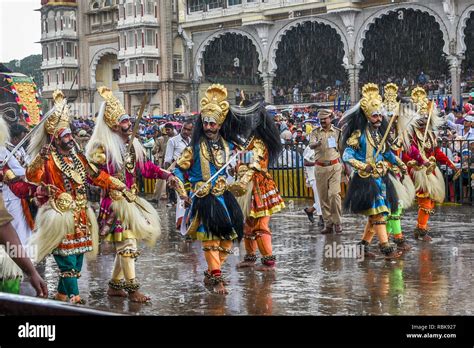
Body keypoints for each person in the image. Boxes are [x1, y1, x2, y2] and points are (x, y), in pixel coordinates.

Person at [26, 90, 127, 304]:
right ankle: (75, 298)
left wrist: (115, 183)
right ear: (56, 138)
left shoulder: (77, 156)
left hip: (81, 215)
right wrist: (38, 160)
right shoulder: (48, 159)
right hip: (59, 216)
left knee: (77, 260)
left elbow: (95, 175)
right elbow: (32, 177)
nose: (70, 138)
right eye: (66, 136)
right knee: (67, 262)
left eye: (70, 134)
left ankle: (62, 295)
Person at [86, 86, 177, 302]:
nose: (128, 125)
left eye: (129, 120)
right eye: (124, 122)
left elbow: (146, 169)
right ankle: (133, 289)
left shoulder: (134, 144)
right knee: (128, 245)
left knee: (126, 244)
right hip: (114, 204)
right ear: (114, 125)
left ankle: (115, 286)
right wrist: (111, 181)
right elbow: (92, 176)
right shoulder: (102, 148)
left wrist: (166, 175)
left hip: (132, 202)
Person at [173, 84, 244, 295]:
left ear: (220, 124)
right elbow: (178, 171)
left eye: (212, 123)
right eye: (205, 123)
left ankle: (213, 272)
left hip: (222, 196)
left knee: (229, 239)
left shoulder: (228, 146)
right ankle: (216, 277)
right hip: (203, 197)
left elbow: (235, 168)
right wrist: (183, 194)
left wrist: (240, 170)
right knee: (211, 238)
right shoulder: (194, 147)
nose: (208, 126)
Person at [341, 83, 406, 260]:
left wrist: (400, 164)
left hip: (381, 178)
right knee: (378, 212)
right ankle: (386, 247)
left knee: (377, 214)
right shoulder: (358, 134)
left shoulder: (379, 134)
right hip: (365, 179)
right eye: (374, 115)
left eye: (379, 115)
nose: (378, 118)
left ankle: (362, 247)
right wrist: (363, 166)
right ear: (367, 116)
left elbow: (387, 153)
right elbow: (347, 155)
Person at [226, 103, 285, 271]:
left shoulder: (259, 142)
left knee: (260, 225)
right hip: (250, 185)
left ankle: (268, 261)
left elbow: (255, 164)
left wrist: (242, 179)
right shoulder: (251, 139)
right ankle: (250, 258)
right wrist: (236, 168)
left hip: (258, 187)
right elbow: (245, 162)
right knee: (249, 225)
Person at [402, 87, 460, 241]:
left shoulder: (431, 133)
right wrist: (415, 162)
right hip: (417, 170)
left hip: (431, 170)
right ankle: (420, 230)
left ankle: (421, 228)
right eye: (420, 116)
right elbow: (406, 153)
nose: (423, 119)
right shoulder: (410, 134)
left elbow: (437, 152)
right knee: (425, 201)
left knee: (431, 200)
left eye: (425, 116)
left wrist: (451, 164)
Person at [381, 83, 416, 252]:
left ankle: (386, 239)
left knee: (395, 207)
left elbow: (409, 150)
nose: (391, 119)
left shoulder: (401, 133)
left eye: (393, 116)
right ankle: (397, 239)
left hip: (397, 173)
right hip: (383, 173)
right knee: (392, 207)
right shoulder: (378, 133)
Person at [0, 122, 36, 244]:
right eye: (22, 138)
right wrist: (26, 173)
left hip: (21, 191)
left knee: (24, 223)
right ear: (15, 138)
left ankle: (25, 252)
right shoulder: (4, 149)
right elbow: (15, 170)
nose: (24, 140)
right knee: (17, 225)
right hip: (10, 193)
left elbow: (26, 166)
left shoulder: (18, 149)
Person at [308, 109, 343, 234]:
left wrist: (346, 169)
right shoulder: (315, 132)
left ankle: (337, 222)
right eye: (321, 119)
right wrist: (316, 144)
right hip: (320, 168)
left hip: (335, 167)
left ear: (331, 118)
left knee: (334, 194)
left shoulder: (338, 132)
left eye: (325, 118)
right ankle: (328, 224)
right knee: (323, 198)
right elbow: (311, 145)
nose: (323, 121)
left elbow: (342, 150)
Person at [163, 120, 193, 229]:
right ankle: (181, 224)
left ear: (191, 131)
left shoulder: (191, 142)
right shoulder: (172, 141)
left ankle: (189, 222)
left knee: (190, 197)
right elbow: (167, 160)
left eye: (188, 129)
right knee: (182, 198)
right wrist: (168, 175)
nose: (185, 131)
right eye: (184, 128)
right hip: (177, 172)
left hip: (189, 174)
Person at [303, 145, 324, 226]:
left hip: (322, 174)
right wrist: (317, 163)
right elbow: (305, 162)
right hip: (313, 176)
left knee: (325, 197)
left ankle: (310, 210)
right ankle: (321, 218)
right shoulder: (310, 148)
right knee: (318, 197)